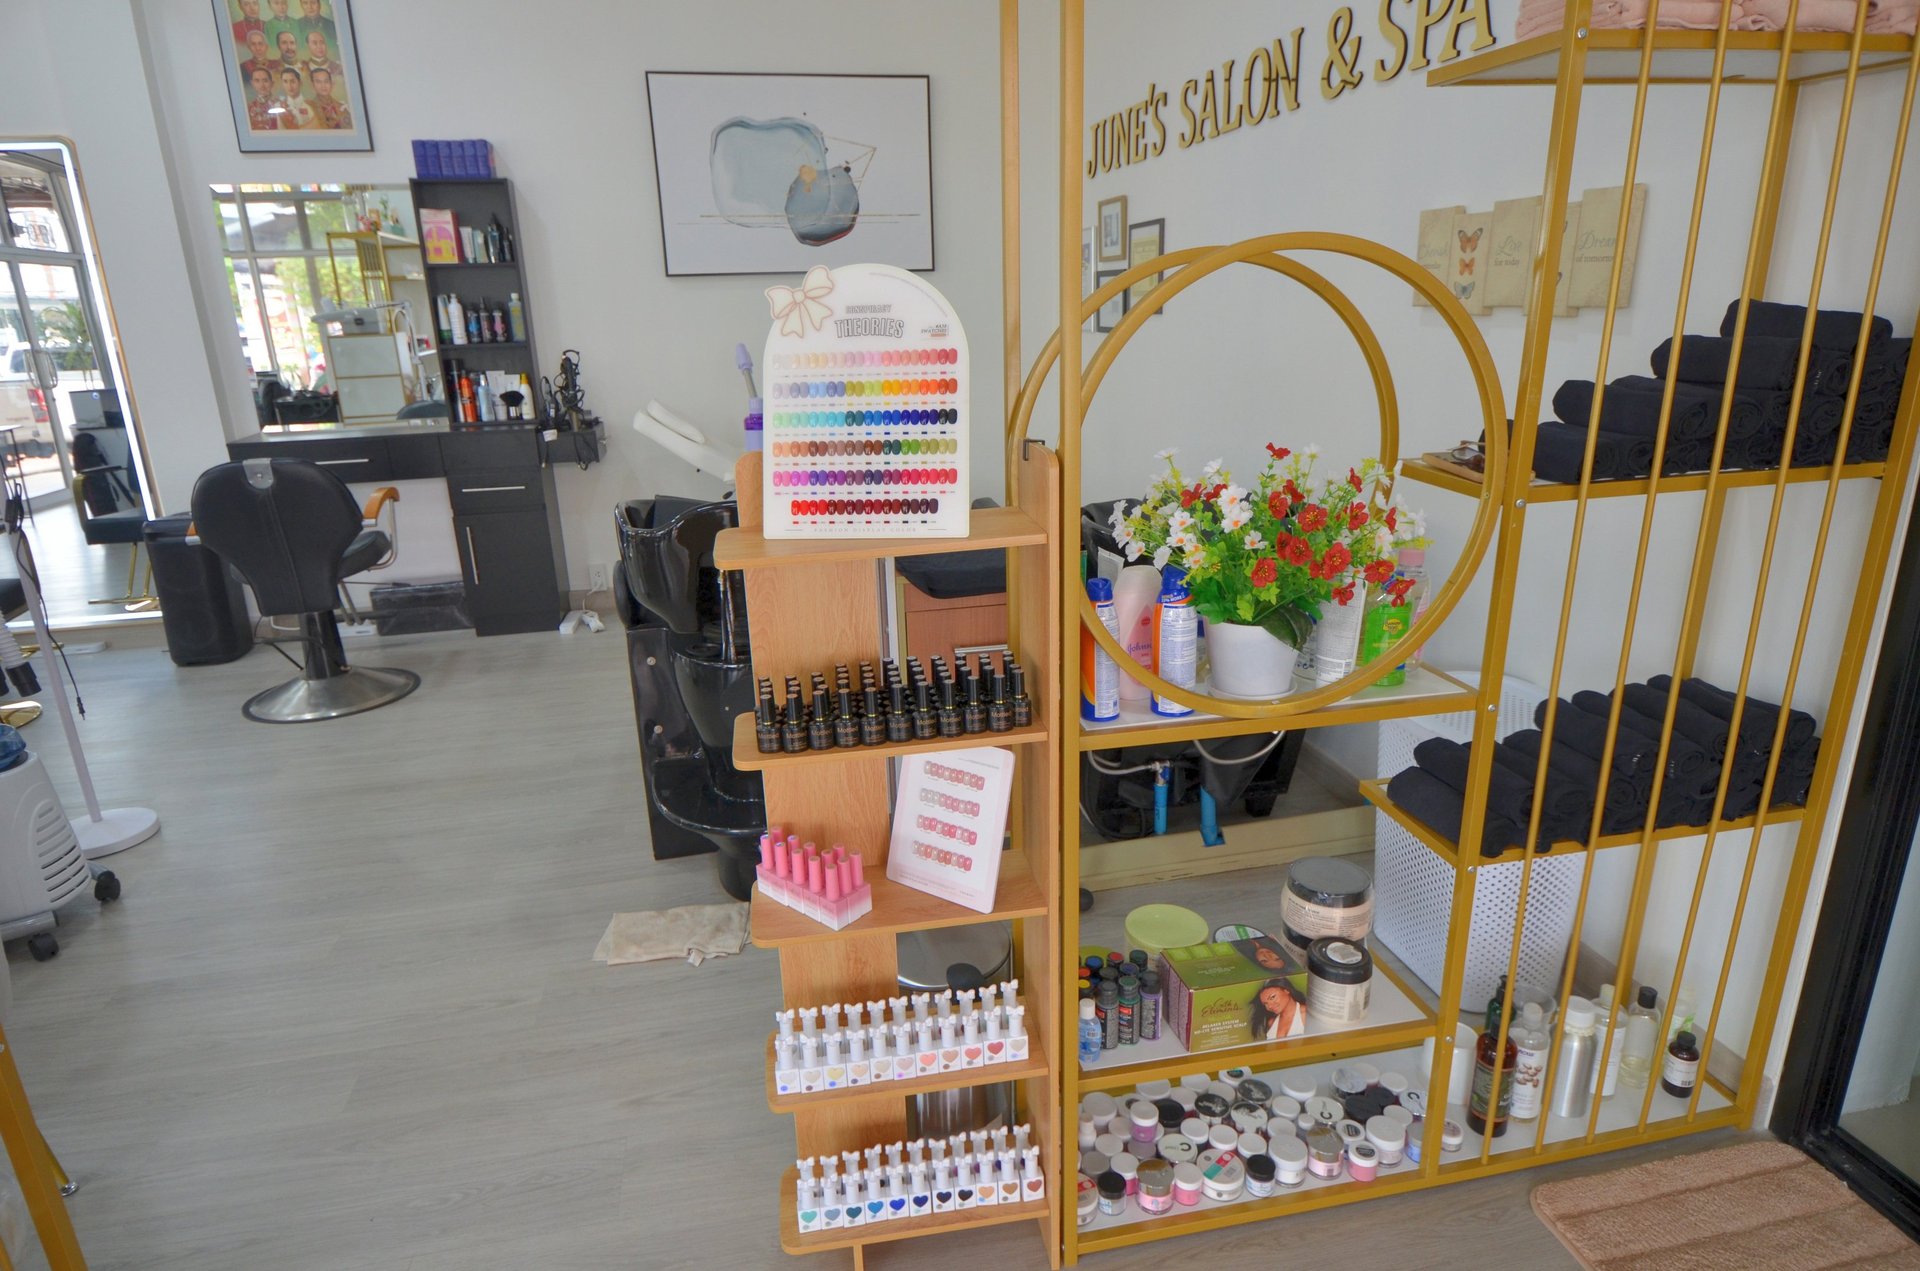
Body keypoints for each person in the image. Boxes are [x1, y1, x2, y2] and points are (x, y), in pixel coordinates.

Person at [301, 29, 343, 95]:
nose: (319, 46)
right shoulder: (303, 69)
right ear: (308, 46)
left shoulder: (338, 67)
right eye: (315, 43)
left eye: (322, 42)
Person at [245, 65, 279, 131]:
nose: (262, 85)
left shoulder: (281, 105)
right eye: (257, 81)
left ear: (272, 83)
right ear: (252, 84)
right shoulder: (248, 108)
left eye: (265, 80)